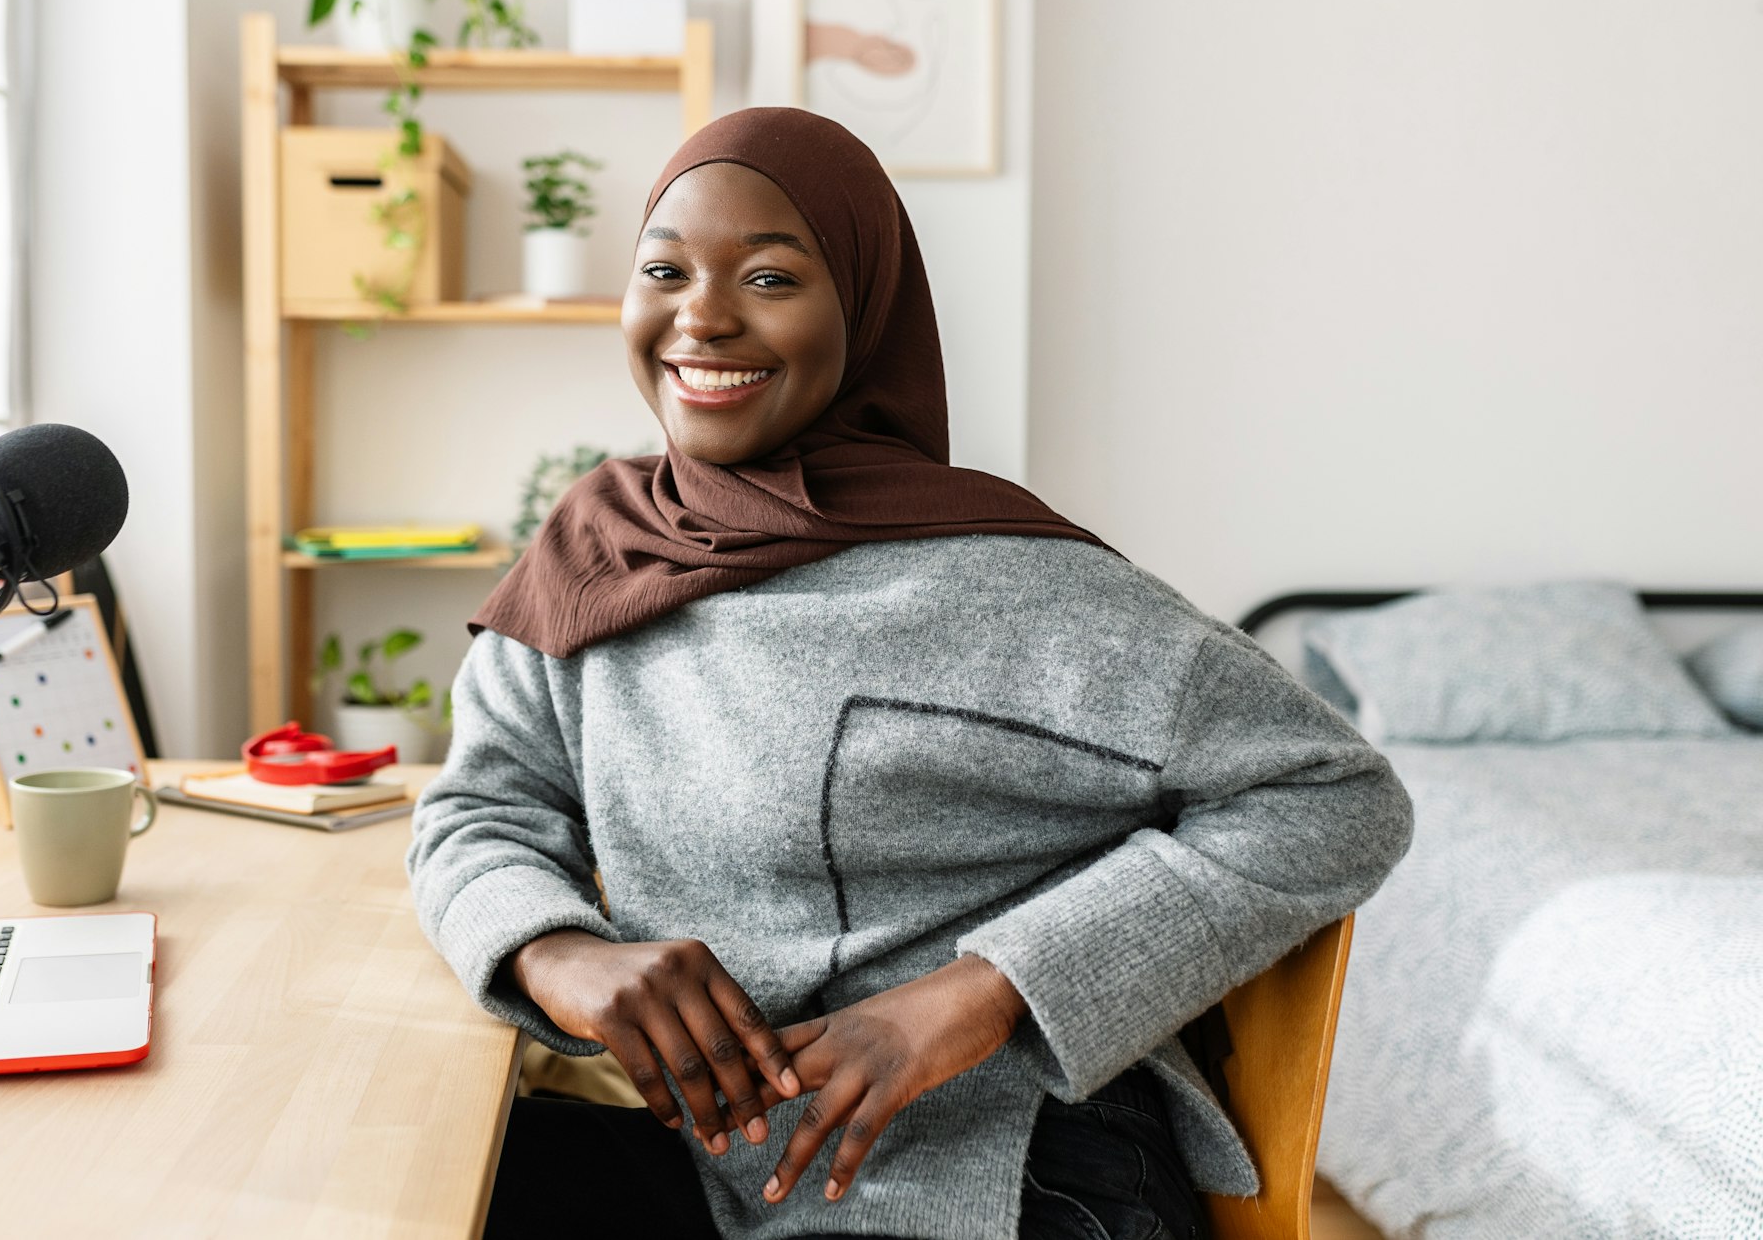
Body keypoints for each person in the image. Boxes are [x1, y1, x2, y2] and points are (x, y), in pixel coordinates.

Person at [406, 107, 1413, 1240]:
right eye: (663, 269)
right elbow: (478, 808)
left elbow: (1333, 793)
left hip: (1013, 1165)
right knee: (381, 1176)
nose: (702, 313)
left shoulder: (1008, 586)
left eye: (773, 276)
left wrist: (977, 996)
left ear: (865, 308)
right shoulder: (597, 553)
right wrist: (555, 951)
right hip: (716, 1163)